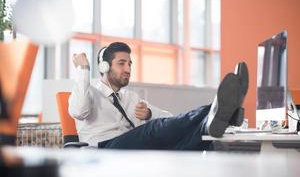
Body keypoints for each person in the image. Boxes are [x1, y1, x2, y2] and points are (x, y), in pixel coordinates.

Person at [69, 42, 249, 150]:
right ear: (104, 67)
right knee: (152, 130)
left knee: (185, 145)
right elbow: (80, 110)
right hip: (102, 150)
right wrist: (83, 70)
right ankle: (219, 109)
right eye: (121, 63)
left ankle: (215, 119)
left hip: (128, 149)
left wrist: (149, 114)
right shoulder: (87, 91)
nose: (128, 69)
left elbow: (171, 120)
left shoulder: (130, 97)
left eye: (130, 64)